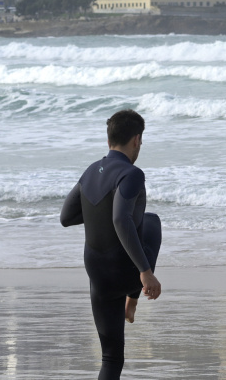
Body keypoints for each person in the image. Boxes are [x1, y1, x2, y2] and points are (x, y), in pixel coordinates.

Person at [60, 109, 162, 380]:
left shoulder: (91, 171)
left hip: (98, 276)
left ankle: (129, 300)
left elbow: (66, 217)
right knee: (151, 221)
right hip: (126, 272)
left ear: (109, 140)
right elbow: (120, 218)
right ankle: (132, 298)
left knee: (111, 358)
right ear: (137, 140)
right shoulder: (132, 173)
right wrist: (145, 271)